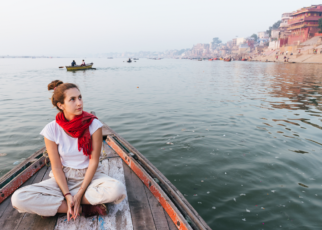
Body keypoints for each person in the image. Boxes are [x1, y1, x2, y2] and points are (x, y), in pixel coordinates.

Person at [11, 80, 126, 220]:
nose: (79, 103)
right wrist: (67, 195)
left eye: (80, 97)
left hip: (91, 176)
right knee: (18, 198)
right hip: (64, 178)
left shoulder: (94, 125)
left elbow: (94, 161)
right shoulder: (51, 129)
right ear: (61, 105)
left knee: (117, 190)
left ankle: (56, 207)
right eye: (72, 99)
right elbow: (56, 167)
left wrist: (78, 194)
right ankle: (84, 207)